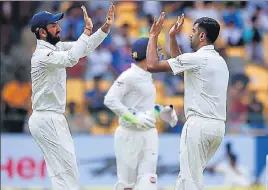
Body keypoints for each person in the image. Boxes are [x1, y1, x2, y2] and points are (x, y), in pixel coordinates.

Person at [28, 4, 115, 190]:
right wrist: (86, 30)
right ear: (42, 32)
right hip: (47, 117)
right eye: (53, 26)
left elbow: (83, 48)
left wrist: (104, 29)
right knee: (65, 173)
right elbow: (71, 59)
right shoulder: (42, 55)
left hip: (52, 117)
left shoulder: (56, 46)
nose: (59, 28)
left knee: (65, 172)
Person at [146, 13, 229, 190]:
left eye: (193, 31)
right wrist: (172, 37)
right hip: (217, 128)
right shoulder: (219, 61)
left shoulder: (197, 59)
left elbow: (152, 65)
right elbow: (182, 67)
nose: (190, 34)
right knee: (186, 178)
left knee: (191, 181)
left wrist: (153, 36)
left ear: (202, 36)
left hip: (198, 126)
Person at [104, 38, 178, 190]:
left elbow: (145, 106)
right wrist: (133, 117)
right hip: (128, 135)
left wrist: (161, 111)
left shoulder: (147, 76)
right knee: (127, 186)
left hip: (149, 134)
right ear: (146, 54)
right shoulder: (129, 76)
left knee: (148, 181)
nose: (159, 54)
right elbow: (110, 100)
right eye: (156, 50)